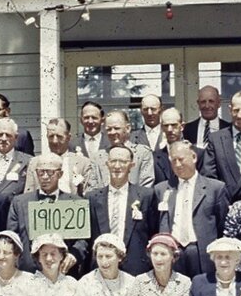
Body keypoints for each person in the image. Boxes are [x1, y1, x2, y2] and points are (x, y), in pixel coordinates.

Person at [154, 140, 229, 277]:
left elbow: (222, 224)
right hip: (173, 253)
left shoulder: (215, 188)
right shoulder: (161, 189)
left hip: (201, 252)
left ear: (194, 157)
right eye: (173, 161)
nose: (178, 164)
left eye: (181, 159)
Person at [7, 152, 90, 274]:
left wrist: (74, 254)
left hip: (64, 271)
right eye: (41, 172)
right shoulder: (20, 202)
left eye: (50, 172)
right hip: (29, 273)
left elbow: (83, 239)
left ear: (60, 174)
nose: (45, 177)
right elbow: (13, 238)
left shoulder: (75, 202)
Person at [88, 145, 157, 276]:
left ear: (132, 165)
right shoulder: (92, 198)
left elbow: (153, 233)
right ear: (107, 164)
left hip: (136, 269)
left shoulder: (146, 196)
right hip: (101, 268)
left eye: (123, 162)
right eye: (113, 161)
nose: (117, 166)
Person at [25, 118, 99, 196]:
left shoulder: (83, 163)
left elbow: (89, 195)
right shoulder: (35, 163)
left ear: (68, 137)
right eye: (51, 136)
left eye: (59, 137)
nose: (55, 141)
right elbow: (28, 195)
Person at [95, 110, 155, 188]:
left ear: (128, 128)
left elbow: (146, 186)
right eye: (109, 129)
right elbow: (93, 188)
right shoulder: (98, 157)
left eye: (116, 128)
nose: (112, 132)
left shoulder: (143, 153)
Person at [0, 117, 32, 196]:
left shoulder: (27, 161)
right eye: (0, 135)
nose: (4, 139)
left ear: (16, 137)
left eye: (8, 135)